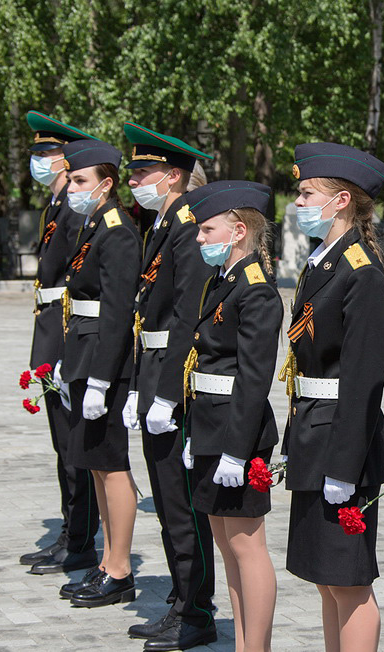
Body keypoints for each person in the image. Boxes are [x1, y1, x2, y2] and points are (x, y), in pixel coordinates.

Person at [281, 143, 384, 652]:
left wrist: (345, 467)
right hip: (313, 431)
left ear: (341, 200)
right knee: (326, 577)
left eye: (308, 193)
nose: (299, 201)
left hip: (341, 442)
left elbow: (365, 382)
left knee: (349, 581)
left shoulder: (362, 273)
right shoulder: (323, 263)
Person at [121, 122, 217, 651]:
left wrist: (165, 392)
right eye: (133, 171)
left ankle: (197, 610)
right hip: (155, 368)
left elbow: (185, 316)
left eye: (144, 171)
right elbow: (147, 318)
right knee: (165, 497)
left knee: (181, 504)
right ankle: (182, 600)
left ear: (174, 176)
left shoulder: (187, 224)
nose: (134, 179)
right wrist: (140, 385)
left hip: (174, 379)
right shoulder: (162, 223)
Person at [184, 180, 282, 652]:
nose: (199, 238)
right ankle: (244, 640)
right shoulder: (222, 281)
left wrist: (237, 451)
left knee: (246, 545)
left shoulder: (257, 290)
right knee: (226, 545)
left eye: (207, 229)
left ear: (238, 230)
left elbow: (253, 377)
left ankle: (254, 646)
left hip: (236, 435)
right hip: (210, 427)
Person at [54, 138, 142, 607]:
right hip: (85, 356)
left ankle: (120, 567)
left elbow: (116, 311)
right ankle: (107, 561)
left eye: (80, 180)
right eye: (70, 179)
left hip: (104, 363)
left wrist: (104, 379)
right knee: (93, 465)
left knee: (111, 467)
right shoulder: (93, 225)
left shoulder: (117, 231)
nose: (71, 187)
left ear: (105, 184)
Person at [20, 111, 102, 577]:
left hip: (66, 331)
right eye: (35, 153)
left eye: (46, 154)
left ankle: (80, 539)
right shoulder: (56, 208)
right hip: (50, 325)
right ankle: (72, 531)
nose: (38, 161)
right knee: (61, 441)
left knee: (73, 442)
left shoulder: (73, 211)